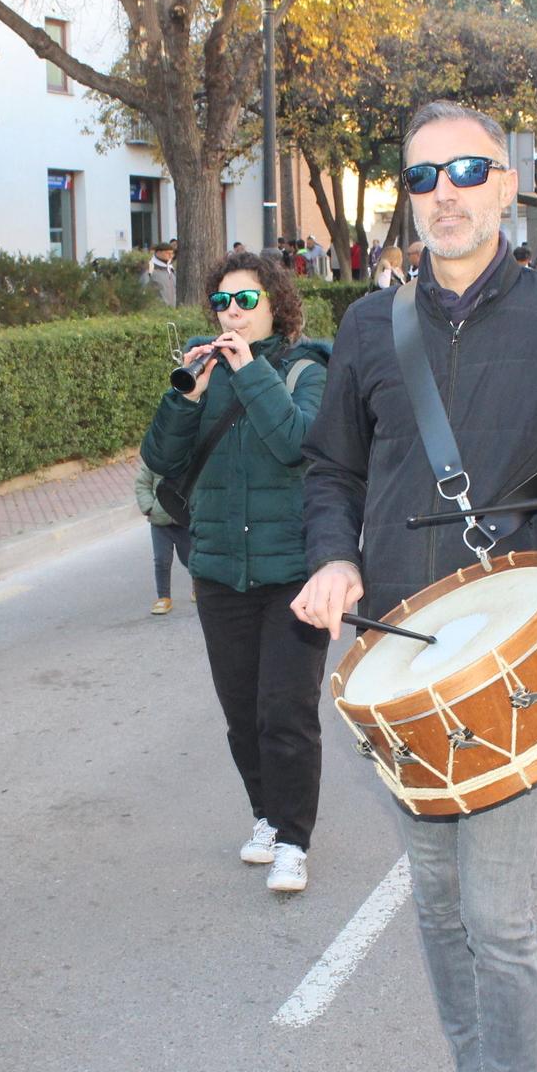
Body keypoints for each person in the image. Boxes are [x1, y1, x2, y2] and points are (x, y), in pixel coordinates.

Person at [294, 99, 537, 1072]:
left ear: (506, 186)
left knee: (496, 915)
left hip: (500, 658)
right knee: (434, 908)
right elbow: (329, 471)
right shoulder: (364, 328)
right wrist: (333, 560)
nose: (443, 190)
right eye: (423, 174)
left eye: (466, 170)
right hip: (392, 650)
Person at [140, 251, 333, 895]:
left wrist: (250, 373)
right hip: (220, 568)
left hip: (292, 573)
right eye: (223, 301)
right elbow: (161, 458)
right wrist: (184, 396)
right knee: (241, 711)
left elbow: (296, 444)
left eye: (246, 300)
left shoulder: (308, 368)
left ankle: (294, 839)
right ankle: (266, 815)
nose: (232, 312)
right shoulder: (204, 369)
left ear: (277, 304)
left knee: (287, 709)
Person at [133, 461, 192, 614]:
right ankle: (163, 597)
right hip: (159, 521)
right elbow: (142, 484)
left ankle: (197, 586)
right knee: (161, 560)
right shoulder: (154, 459)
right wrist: (149, 507)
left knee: (190, 558)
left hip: (183, 520)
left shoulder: (187, 457)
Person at [143, 238, 178, 306]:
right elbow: (143, 291)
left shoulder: (172, 270)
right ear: (158, 253)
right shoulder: (150, 270)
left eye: (172, 254)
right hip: (158, 311)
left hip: (174, 311)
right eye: (168, 253)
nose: (171, 256)